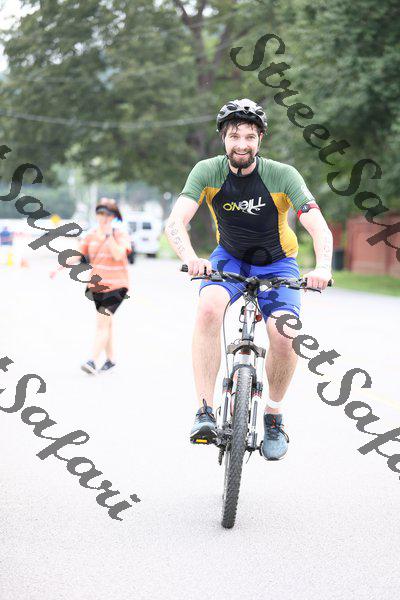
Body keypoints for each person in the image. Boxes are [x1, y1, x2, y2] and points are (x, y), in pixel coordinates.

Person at [165, 98, 333, 460]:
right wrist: (191, 258)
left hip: (278, 263)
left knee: (285, 335)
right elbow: (176, 221)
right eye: (234, 136)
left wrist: (323, 267)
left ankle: (273, 415)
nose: (242, 144)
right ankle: (205, 410)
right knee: (208, 308)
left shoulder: (283, 175)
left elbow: (318, 225)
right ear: (223, 139)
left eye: (250, 137)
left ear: (260, 140)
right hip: (230, 258)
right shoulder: (207, 171)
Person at [51, 198, 132, 374]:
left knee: (102, 323)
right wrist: (59, 267)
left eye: (107, 214)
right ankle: (110, 360)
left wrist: (109, 236)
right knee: (106, 323)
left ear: (113, 217)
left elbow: (119, 255)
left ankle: (92, 361)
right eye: (100, 213)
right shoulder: (91, 235)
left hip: (117, 286)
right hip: (97, 286)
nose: (103, 217)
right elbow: (78, 254)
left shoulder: (121, 235)